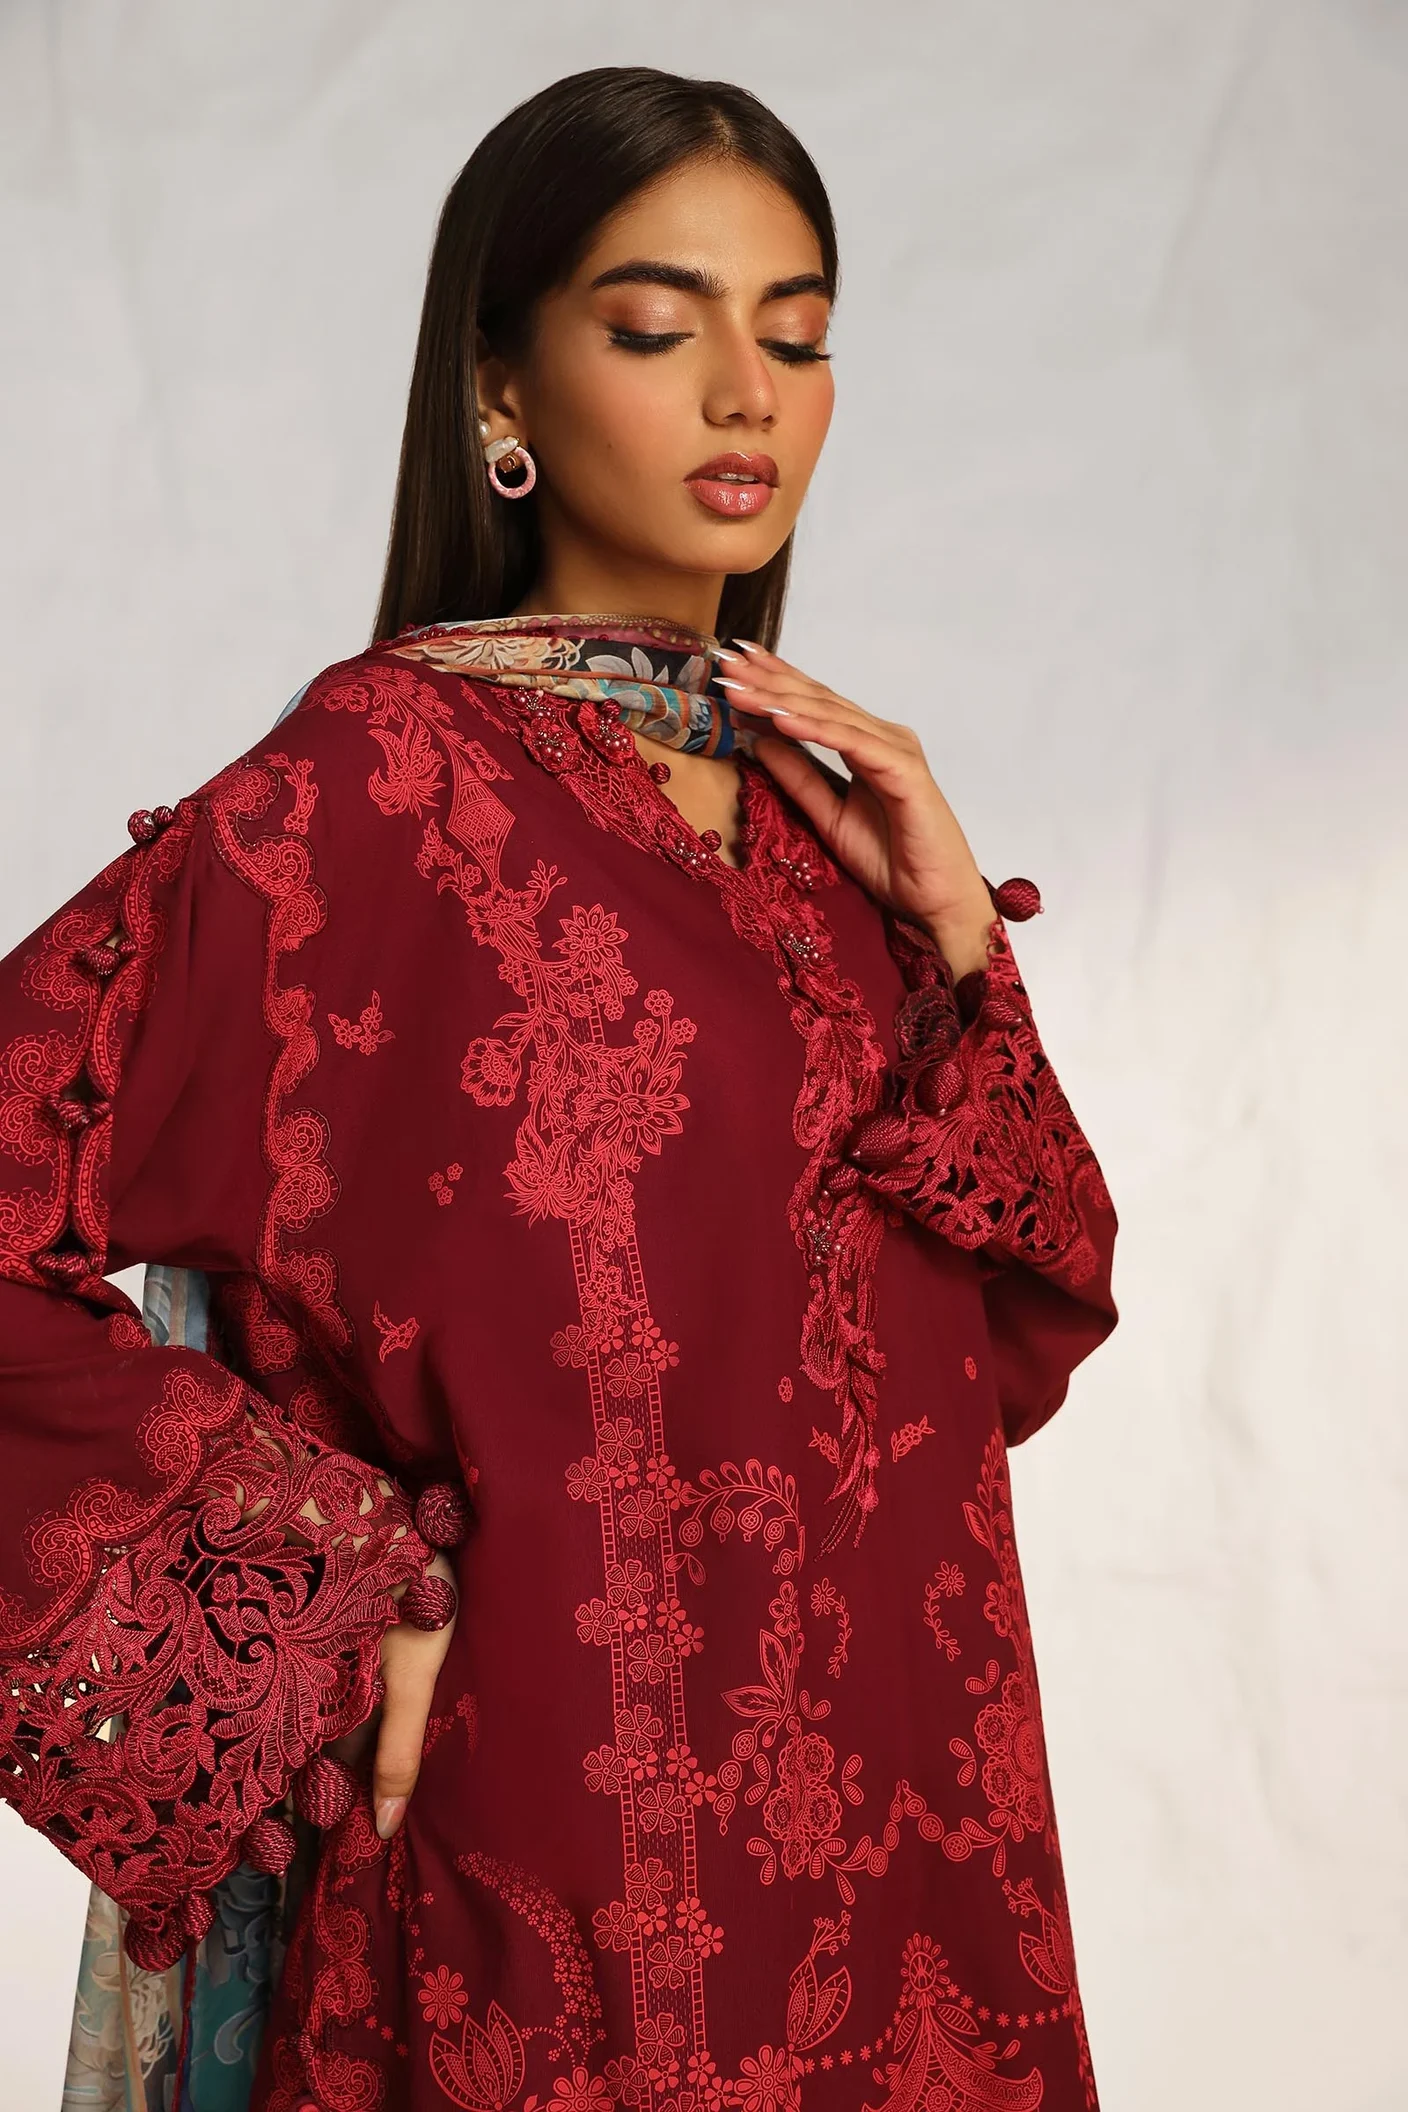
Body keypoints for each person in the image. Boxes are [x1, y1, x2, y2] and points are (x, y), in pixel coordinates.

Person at [2, 65, 1119, 2112]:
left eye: (796, 336)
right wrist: (313, 1600)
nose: (745, 395)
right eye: (658, 326)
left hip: (913, 1881)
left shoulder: (830, 833)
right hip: (553, 1877)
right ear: (500, 386)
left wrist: (961, 948)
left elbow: (1007, 1345)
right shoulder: (368, 792)